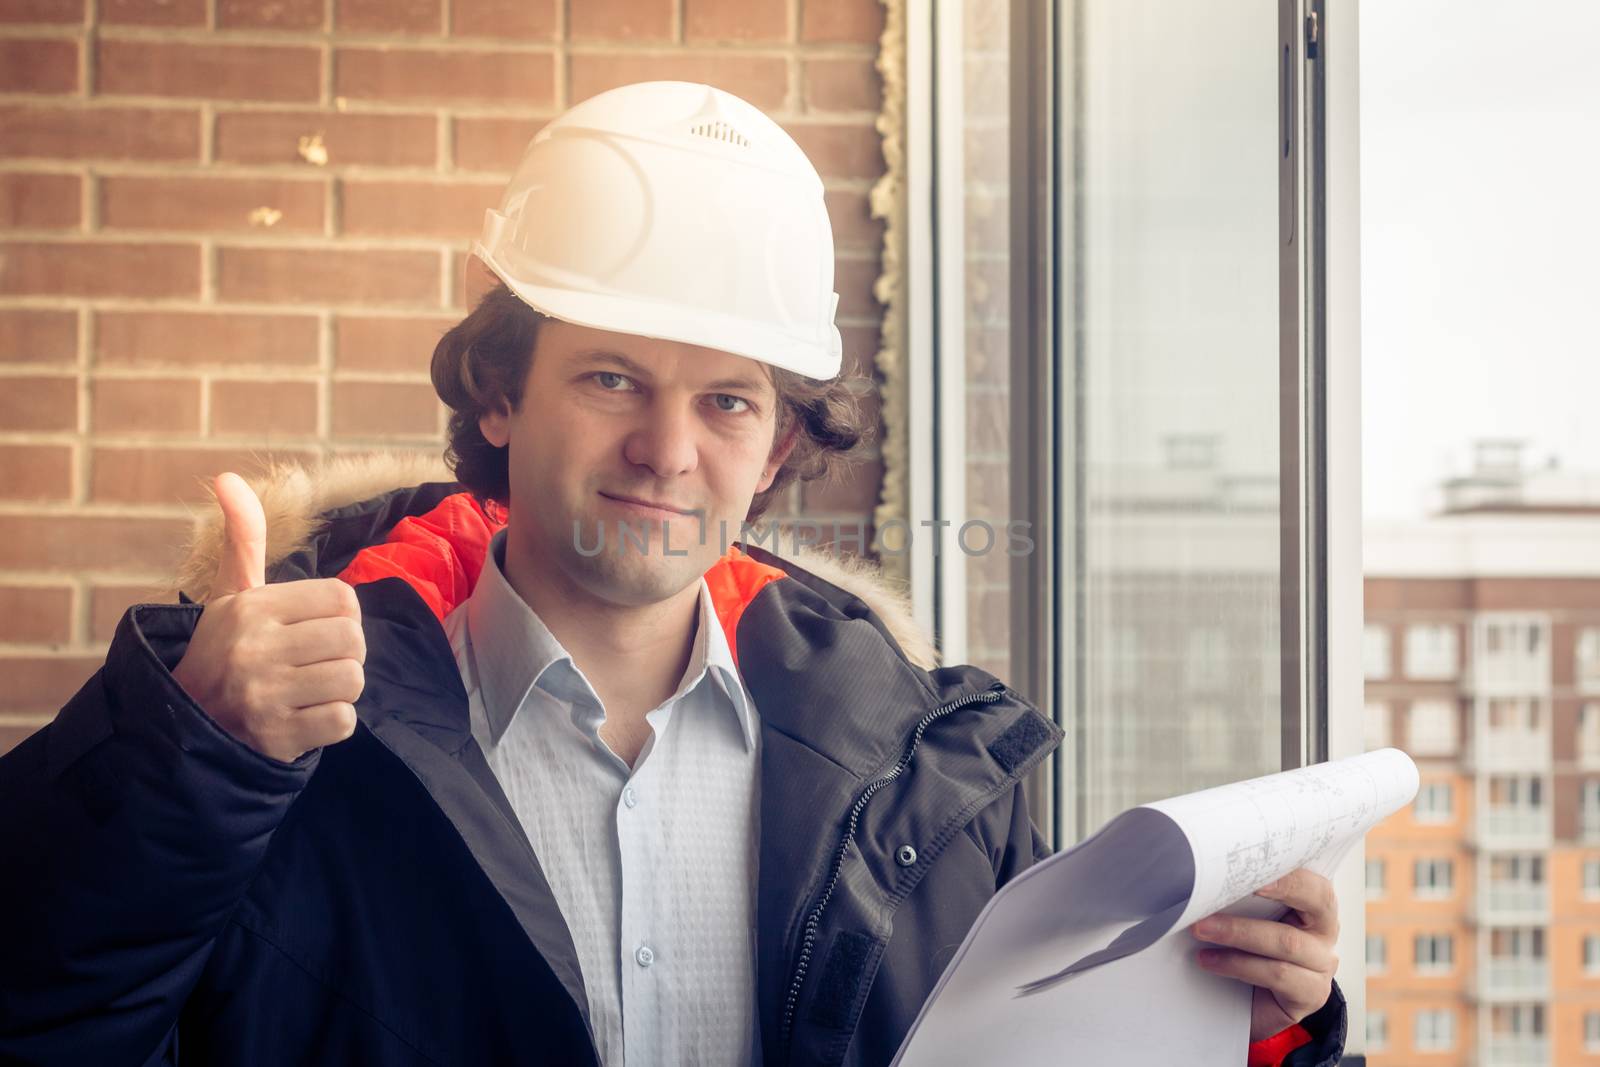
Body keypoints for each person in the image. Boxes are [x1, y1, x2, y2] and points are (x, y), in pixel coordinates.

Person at [0, 82, 1346, 1066]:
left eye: (728, 404)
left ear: (775, 452)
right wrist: (184, 757)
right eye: (609, 378)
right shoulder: (270, 731)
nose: (665, 449)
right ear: (498, 395)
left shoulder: (920, 775)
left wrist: (1255, 1025)